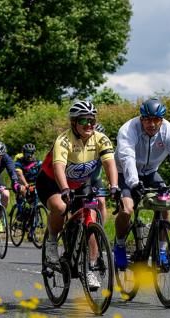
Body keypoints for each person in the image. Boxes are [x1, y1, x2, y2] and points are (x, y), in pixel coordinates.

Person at [35, 100, 119, 290]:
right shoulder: (63, 140)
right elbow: (58, 167)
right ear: (74, 122)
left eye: (92, 120)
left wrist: (114, 185)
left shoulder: (101, 138)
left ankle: (89, 266)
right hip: (52, 182)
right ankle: (51, 243)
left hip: (81, 183)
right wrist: (64, 189)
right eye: (84, 121)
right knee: (60, 207)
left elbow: (109, 163)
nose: (89, 125)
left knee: (92, 215)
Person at [113, 98, 170, 270]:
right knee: (127, 209)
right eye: (147, 120)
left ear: (162, 120)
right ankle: (119, 245)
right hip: (124, 172)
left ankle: (161, 251)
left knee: (165, 205)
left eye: (156, 120)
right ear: (141, 118)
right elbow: (127, 158)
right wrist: (134, 183)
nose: (152, 124)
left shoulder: (169, 131)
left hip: (151, 172)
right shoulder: (128, 130)